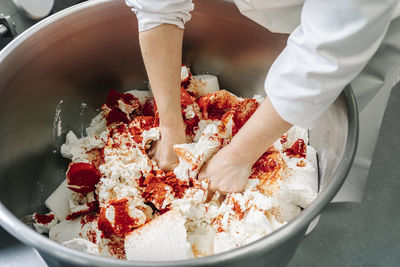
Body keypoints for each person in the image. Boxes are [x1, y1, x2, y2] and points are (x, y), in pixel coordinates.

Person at [125, 0, 400, 200]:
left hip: (355, 32)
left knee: (334, 110)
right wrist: (171, 125)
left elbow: (327, 56)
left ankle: (320, 204)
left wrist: (238, 156)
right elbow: (156, 8)